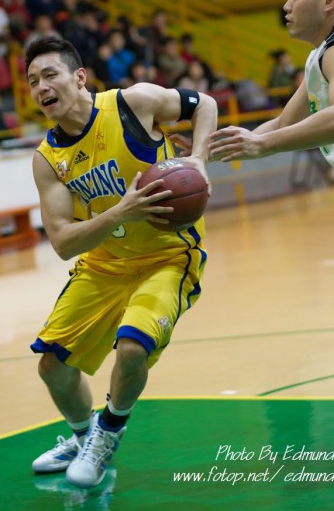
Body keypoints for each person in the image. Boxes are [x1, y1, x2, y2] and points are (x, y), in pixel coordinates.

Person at [25, 36, 217, 488]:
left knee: (132, 348)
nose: (41, 87)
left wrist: (199, 159)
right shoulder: (48, 159)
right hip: (105, 263)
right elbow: (63, 243)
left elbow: (204, 104)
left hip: (169, 255)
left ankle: (107, 434)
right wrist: (119, 213)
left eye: (49, 75)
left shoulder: (133, 103)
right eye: (32, 82)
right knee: (52, 365)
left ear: (79, 77)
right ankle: (84, 436)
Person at [207, 0, 334, 330]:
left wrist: (263, 146)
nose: (286, 6)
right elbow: (284, 122)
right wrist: (201, 152)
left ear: (328, 1)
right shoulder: (323, 52)